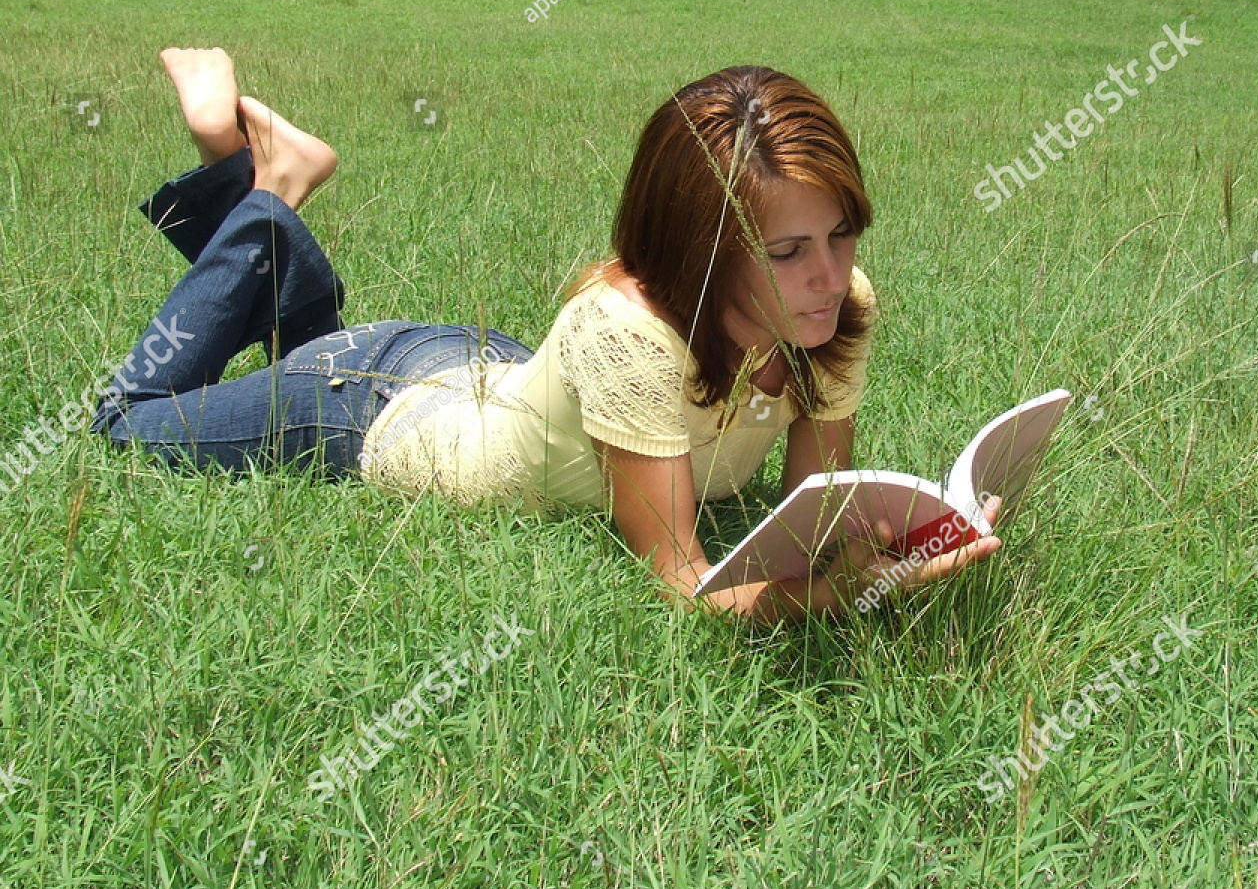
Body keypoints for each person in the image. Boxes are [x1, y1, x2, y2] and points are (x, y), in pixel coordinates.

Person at [93, 48, 1002, 621]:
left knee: (302, 355)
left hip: (477, 370)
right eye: (789, 250)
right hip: (371, 411)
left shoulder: (836, 310)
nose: (830, 275)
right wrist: (830, 600)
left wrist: (913, 538)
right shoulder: (633, 335)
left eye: (842, 235)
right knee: (126, 422)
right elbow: (687, 585)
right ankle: (265, 192)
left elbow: (812, 510)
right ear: (702, 251)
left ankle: (266, 191)